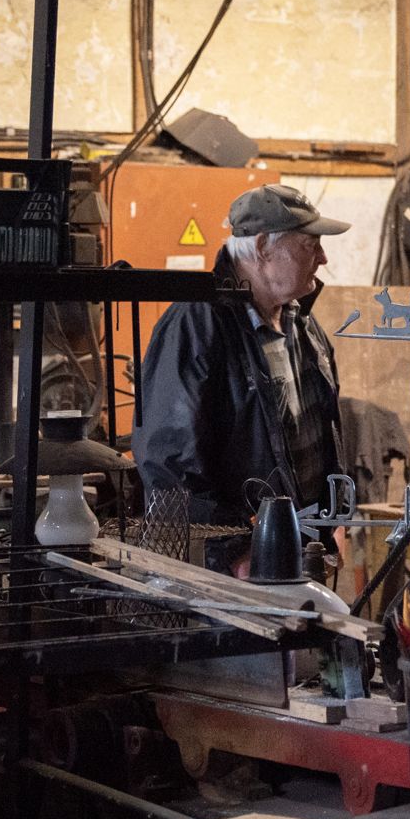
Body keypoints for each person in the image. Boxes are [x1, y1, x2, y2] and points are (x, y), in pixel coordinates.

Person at [133, 184, 349, 572]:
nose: (322, 258)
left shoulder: (300, 321)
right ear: (263, 246)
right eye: (309, 245)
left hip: (298, 546)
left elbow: (323, 426)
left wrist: (335, 520)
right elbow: (170, 464)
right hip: (235, 565)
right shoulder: (195, 325)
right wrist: (232, 551)